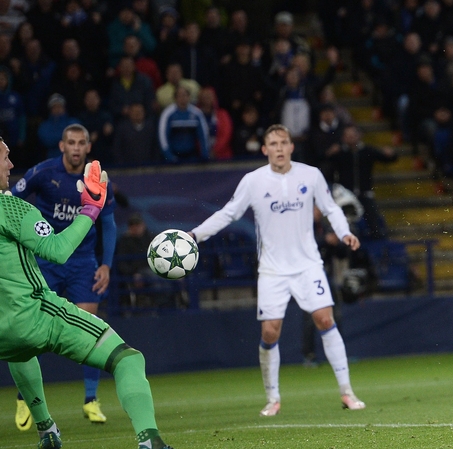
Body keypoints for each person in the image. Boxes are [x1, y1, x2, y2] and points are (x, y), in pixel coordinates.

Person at [0, 145, 173, 449]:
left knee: (19, 351)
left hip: (4, 332)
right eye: (4, 157)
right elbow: (57, 250)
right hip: (35, 315)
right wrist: (90, 210)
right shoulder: (11, 208)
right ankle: (151, 442)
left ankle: (47, 430)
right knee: (128, 359)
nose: (11, 163)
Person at [188, 124, 366, 416]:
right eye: (273, 143)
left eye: (284, 142)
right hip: (272, 270)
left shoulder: (310, 175)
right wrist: (195, 235)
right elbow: (228, 214)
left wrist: (344, 231)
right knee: (270, 332)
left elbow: (331, 208)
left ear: (291, 147)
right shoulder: (253, 181)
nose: (280, 148)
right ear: (265, 149)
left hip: (308, 264)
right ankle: (273, 398)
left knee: (324, 319)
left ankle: (347, 392)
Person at [11, 124, 117, 429]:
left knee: (90, 327)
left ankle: (91, 399)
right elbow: (11, 200)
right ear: (61, 146)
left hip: (83, 261)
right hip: (46, 260)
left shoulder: (98, 179)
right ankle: (25, 398)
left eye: (81, 143)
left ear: (87, 147)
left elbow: (107, 225)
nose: (75, 148)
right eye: (70, 142)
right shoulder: (43, 173)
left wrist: (106, 264)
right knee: (34, 332)